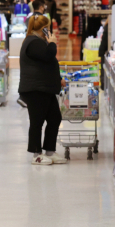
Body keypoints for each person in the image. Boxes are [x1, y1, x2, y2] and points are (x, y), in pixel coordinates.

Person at [18, 14, 67, 165]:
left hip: (44, 88)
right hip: (35, 89)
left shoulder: (37, 41)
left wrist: (58, 79)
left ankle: (50, 151)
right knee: (37, 122)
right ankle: (36, 155)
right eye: (47, 28)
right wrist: (52, 43)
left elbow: (44, 65)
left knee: (54, 118)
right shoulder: (33, 42)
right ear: (44, 29)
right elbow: (48, 56)